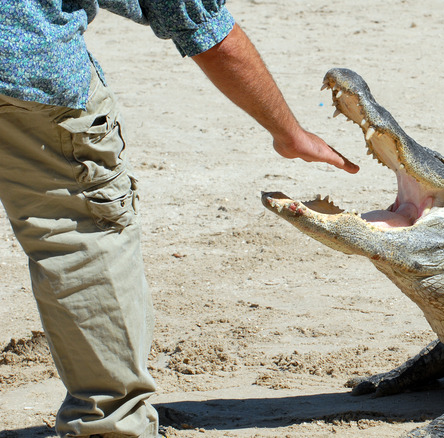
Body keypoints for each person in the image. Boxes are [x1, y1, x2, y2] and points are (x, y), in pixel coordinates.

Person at [0, 1, 358, 437]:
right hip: (27, 78)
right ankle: (111, 425)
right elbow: (197, 22)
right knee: (83, 234)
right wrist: (289, 132)